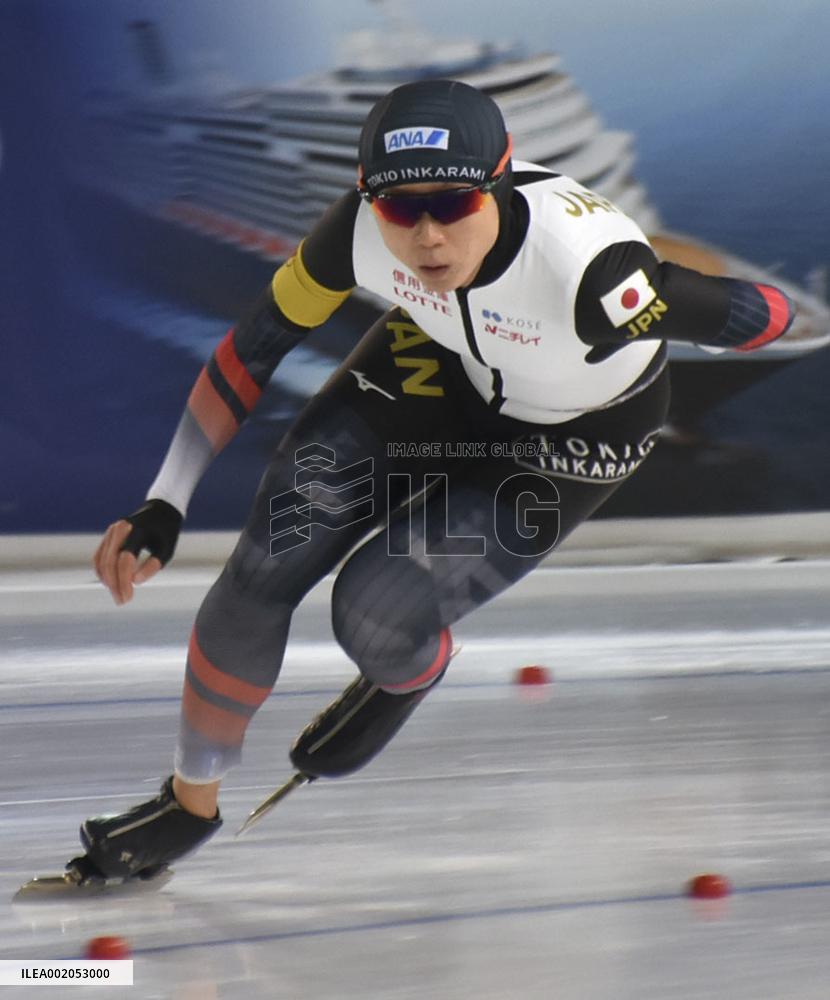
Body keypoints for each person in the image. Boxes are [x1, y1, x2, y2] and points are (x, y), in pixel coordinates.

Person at [67, 79, 795, 885]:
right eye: (397, 207)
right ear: (365, 199)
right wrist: (166, 497)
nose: (425, 237)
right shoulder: (357, 234)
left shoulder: (594, 281)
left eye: (452, 204)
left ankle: (408, 668)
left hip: (575, 431)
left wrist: (678, 301)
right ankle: (187, 803)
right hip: (442, 365)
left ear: (501, 181)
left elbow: (763, 316)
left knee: (372, 616)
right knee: (264, 562)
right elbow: (252, 348)